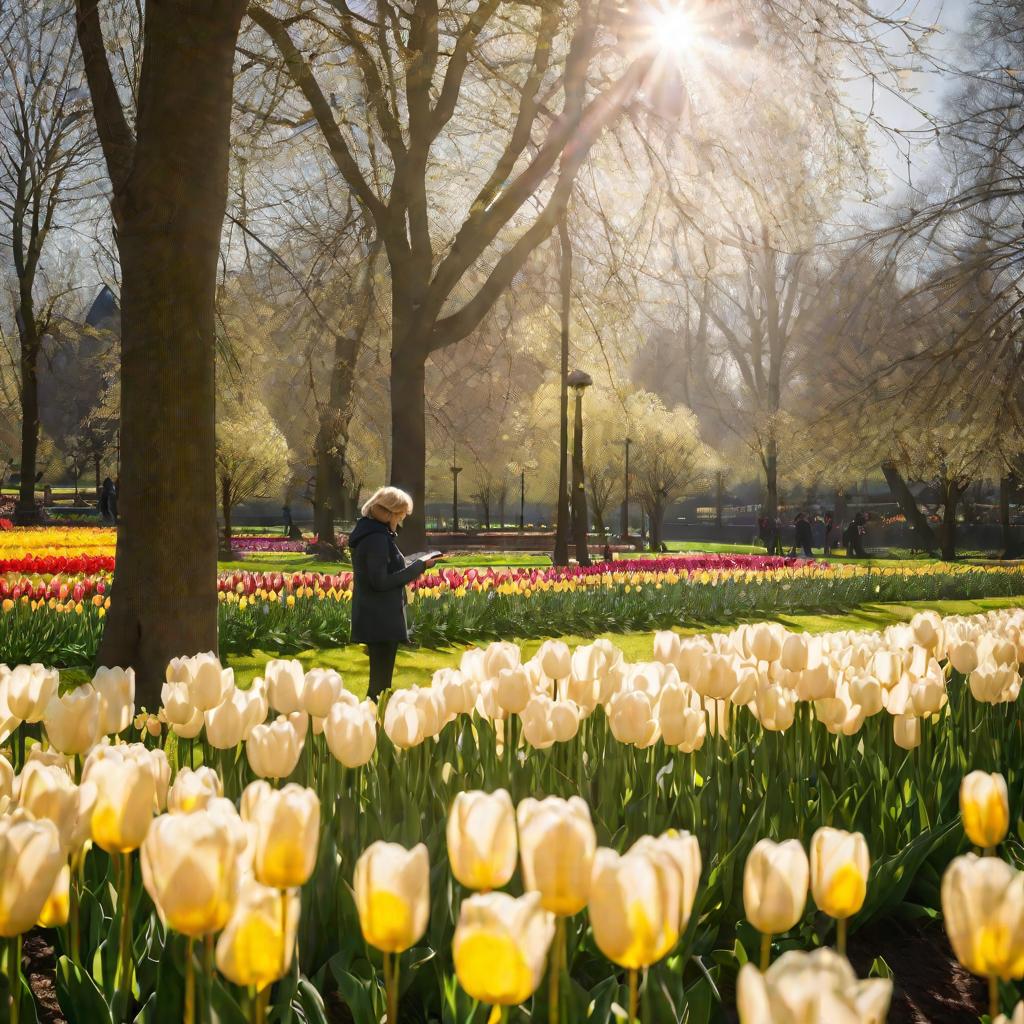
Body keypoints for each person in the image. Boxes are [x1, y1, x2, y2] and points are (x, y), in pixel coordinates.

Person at [349, 486, 441, 700]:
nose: (401, 521)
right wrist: (420, 567)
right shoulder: (376, 539)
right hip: (380, 617)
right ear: (388, 513)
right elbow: (381, 581)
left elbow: (388, 568)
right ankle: (375, 724)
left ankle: (375, 722)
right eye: (400, 515)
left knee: (380, 682)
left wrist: (417, 561)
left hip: (375, 614)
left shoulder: (372, 533)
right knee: (380, 686)